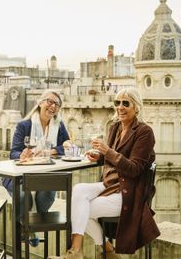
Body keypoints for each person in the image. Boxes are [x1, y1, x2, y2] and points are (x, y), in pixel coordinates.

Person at [50, 88, 160, 259]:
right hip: (110, 185)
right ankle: (105, 250)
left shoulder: (144, 132)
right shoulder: (115, 127)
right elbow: (113, 157)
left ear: (136, 107)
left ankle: (77, 252)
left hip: (129, 192)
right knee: (78, 190)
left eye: (126, 103)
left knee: (80, 209)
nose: (120, 107)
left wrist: (107, 152)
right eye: (117, 103)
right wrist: (100, 157)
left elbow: (134, 169)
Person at [2, 89, 70, 247]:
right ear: (40, 103)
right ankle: (28, 227)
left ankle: (29, 224)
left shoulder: (59, 126)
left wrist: (50, 151)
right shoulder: (24, 125)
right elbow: (14, 152)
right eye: (49, 101)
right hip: (21, 176)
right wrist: (22, 154)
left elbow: (67, 146)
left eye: (57, 104)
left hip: (45, 175)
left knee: (46, 196)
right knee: (22, 196)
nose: (53, 106)